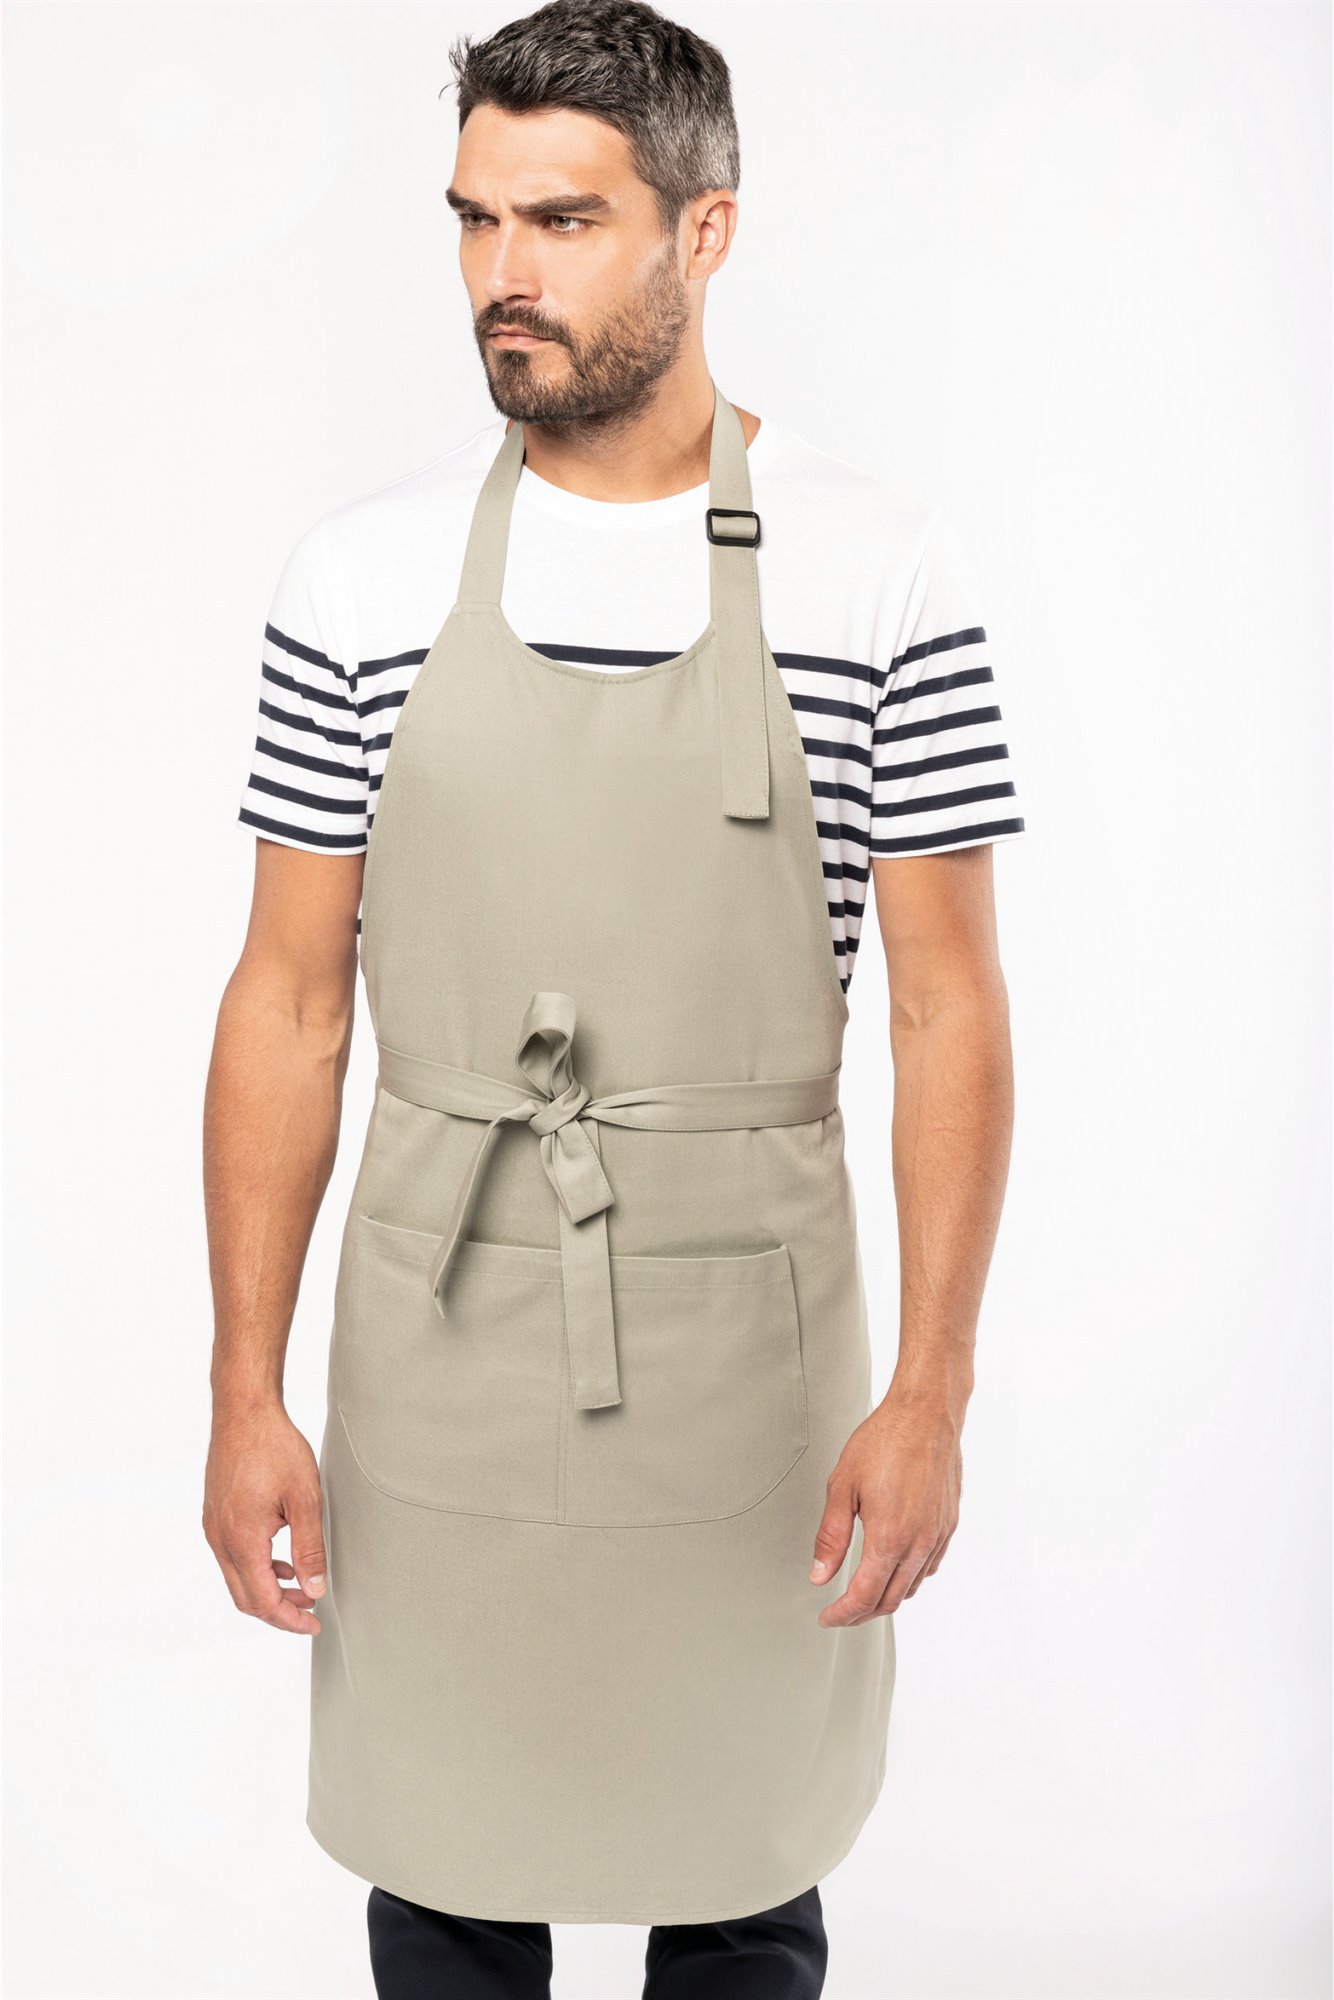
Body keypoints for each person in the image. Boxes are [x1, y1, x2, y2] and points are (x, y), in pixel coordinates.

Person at [202, 2, 1025, 1993]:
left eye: (562, 221)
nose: (504, 273)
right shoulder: (361, 578)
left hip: (751, 1339)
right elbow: (289, 1003)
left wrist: (931, 1387)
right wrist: (243, 1388)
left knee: (737, 1862)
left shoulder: (876, 572)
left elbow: (947, 1010)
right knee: (444, 1857)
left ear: (703, 230)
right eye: (475, 219)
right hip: (441, 1321)